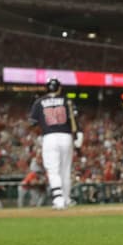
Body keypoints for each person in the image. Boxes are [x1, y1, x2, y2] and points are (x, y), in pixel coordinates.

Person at [28, 78, 81, 209]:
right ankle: (66, 198)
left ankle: (58, 199)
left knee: (53, 170)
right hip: (66, 136)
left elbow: (32, 123)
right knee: (65, 169)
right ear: (59, 88)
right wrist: (77, 137)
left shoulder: (39, 102)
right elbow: (74, 120)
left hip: (49, 136)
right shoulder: (67, 101)